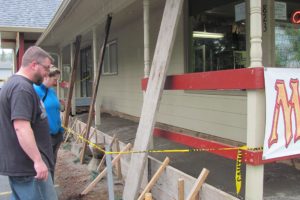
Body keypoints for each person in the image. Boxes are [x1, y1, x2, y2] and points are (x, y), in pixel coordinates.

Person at [0, 46, 58, 200]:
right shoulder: (21, 89)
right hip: (30, 169)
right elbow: (21, 128)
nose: (47, 73)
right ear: (34, 65)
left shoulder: (16, 84)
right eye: (46, 68)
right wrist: (38, 162)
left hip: (24, 167)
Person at [33, 66, 64, 181]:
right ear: (46, 77)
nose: (56, 82)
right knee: (45, 165)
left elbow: (55, 110)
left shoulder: (51, 91)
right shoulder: (35, 91)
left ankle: (50, 188)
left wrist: (60, 129)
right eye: (54, 79)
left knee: (52, 164)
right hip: (45, 136)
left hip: (56, 134)